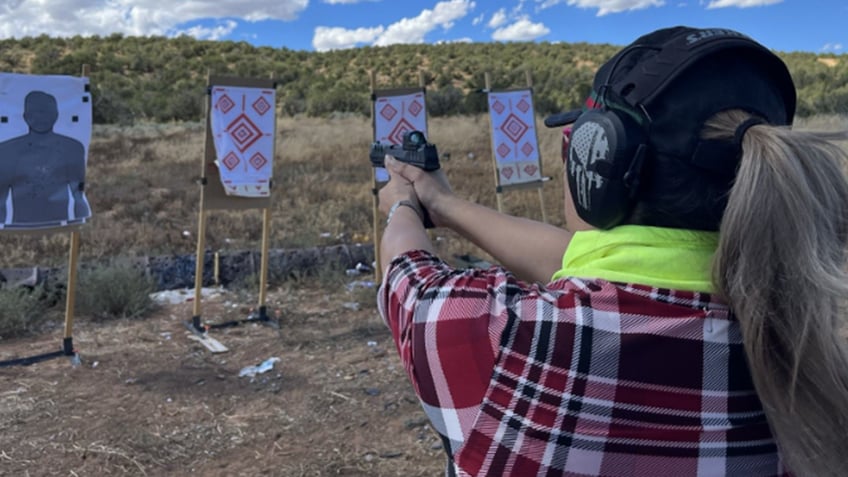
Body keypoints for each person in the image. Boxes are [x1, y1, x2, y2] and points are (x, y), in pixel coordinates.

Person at [376, 26, 848, 477]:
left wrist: (402, 202)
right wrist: (445, 204)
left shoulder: (499, 341)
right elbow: (589, 263)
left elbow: (406, 270)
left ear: (596, 163)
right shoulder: (814, 343)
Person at [0, 90, 90, 227]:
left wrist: (79, 225)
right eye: (34, 113)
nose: (40, 118)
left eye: (46, 112)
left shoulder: (72, 148)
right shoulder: (8, 150)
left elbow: (78, 194)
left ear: (56, 115)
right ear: (25, 116)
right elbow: (1, 195)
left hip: (59, 226)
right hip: (17, 227)